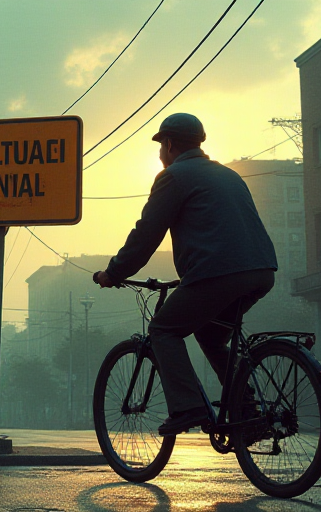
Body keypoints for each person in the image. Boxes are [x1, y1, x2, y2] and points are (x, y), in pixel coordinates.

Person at [92, 113, 277, 436]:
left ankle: (187, 407)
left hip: (218, 274)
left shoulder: (174, 177)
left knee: (163, 329)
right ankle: (246, 409)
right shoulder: (229, 175)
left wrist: (114, 272)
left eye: (160, 147)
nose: (159, 154)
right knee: (210, 334)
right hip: (261, 271)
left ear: (168, 144)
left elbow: (146, 234)